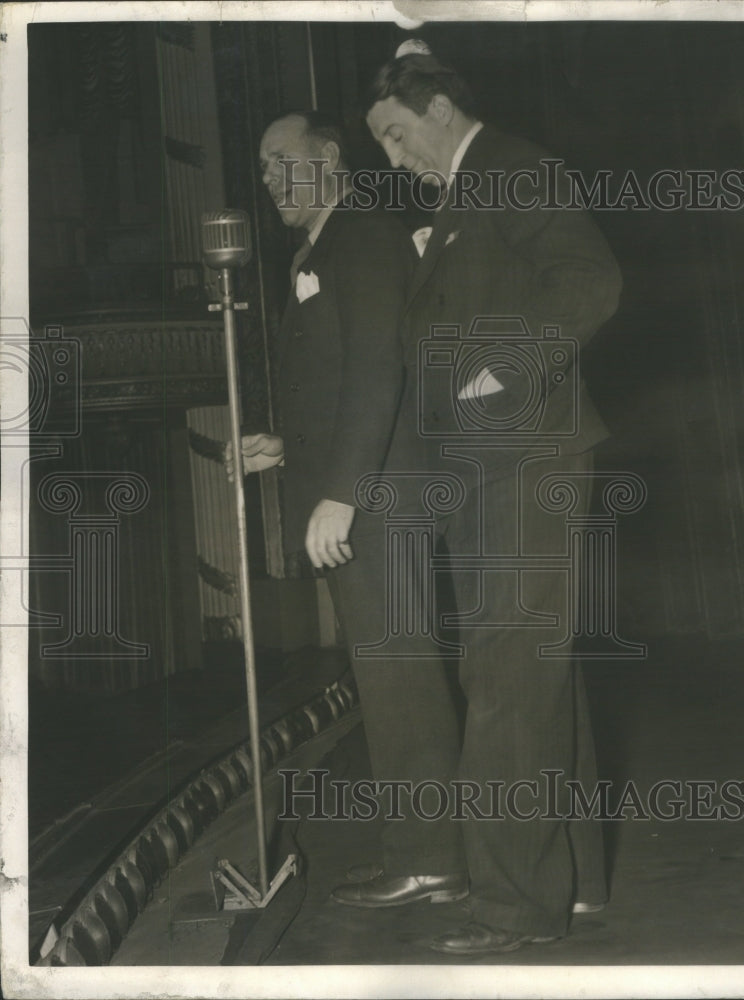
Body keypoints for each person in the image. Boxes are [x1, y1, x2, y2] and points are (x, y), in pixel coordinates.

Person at [333, 48, 622, 956]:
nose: (389, 156)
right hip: (492, 467)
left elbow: (590, 280)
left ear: (444, 107)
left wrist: (506, 367)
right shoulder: (465, 195)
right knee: (534, 679)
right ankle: (570, 889)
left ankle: (511, 909)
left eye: (394, 132)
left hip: (521, 459)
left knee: (504, 684)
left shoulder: (510, 168)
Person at [229, 111, 468, 904]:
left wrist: (342, 492)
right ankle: (421, 846)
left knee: (402, 678)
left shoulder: (363, 233)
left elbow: (377, 371)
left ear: (329, 159)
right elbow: (339, 388)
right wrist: (287, 446)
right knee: (387, 677)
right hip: (367, 492)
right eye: (260, 167)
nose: (267, 178)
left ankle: (434, 854)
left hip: (381, 500)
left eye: (279, 160)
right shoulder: (324, 245)